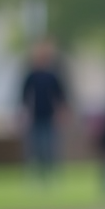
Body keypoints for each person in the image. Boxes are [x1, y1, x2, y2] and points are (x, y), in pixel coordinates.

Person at [20, 39, 67, 182]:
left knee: (50, 147)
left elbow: (60, 96)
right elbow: (24, 95)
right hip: (35, 117)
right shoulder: (31, 76)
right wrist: (24, 113)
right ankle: (38, 175)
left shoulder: (52, 76)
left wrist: (61, 112)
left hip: (49, 117)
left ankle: (51, 174)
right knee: (36, 147)